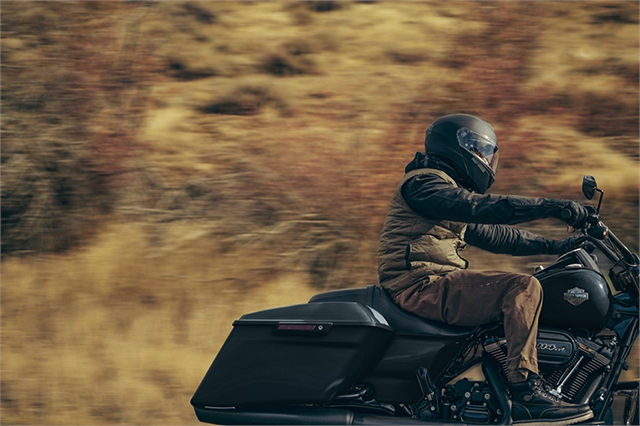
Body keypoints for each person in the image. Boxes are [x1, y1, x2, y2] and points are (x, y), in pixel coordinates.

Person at [377, 114, 594, 424]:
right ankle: (526, 393)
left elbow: (500, 236)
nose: (484, 159)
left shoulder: (445, 194)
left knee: (529, 285)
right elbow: (480, 207)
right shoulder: (423, 184)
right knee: (522, 287)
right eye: (479, 150)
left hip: (432, 283)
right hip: (419, 286)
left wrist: (560, 246)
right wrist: (553, 207)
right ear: (457, 147)